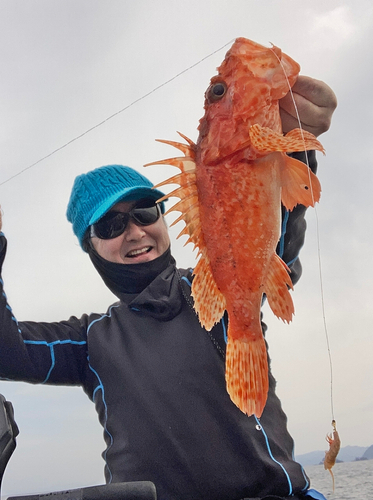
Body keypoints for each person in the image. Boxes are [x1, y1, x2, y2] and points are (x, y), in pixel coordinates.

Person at [0, 77, 337, 500]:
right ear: (91, 246)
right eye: (110, 224)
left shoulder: (218, 281)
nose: (135, 231)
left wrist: (292, 144)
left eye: (144, 210)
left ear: (163, 216)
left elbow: (274, 237)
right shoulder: (89, 339)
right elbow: (7, 350)